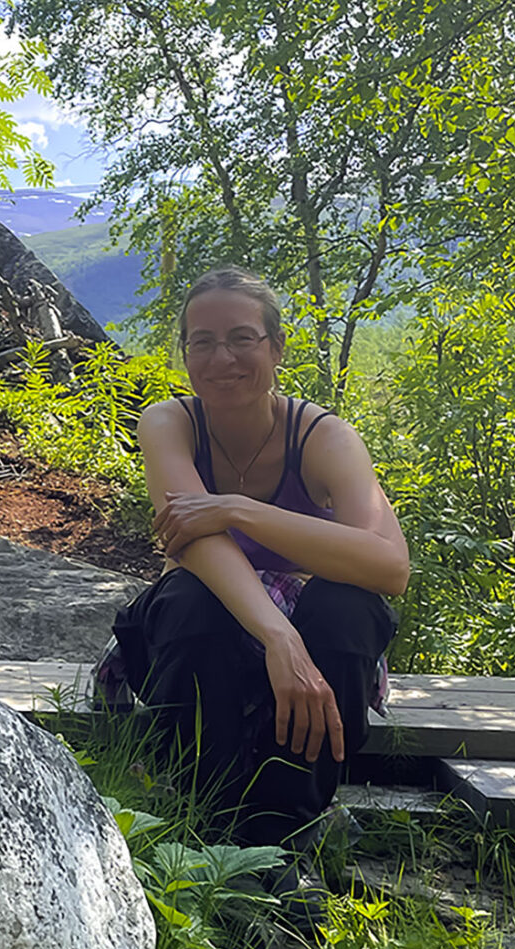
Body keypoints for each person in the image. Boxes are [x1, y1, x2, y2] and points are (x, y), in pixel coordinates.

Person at [106, 266, 409, 855]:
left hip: (316, 644)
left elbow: (389, 566)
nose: (223, 358)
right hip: (203, 636)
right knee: (193, 598)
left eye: (242, 338)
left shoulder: (323, 437)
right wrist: (279, 639)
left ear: (276, 347)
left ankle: (286, 837)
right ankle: (206, 828)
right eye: (202, 341)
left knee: (347, 607)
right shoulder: (171, 423)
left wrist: (239, 510)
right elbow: (190, 541)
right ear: (185, 354)